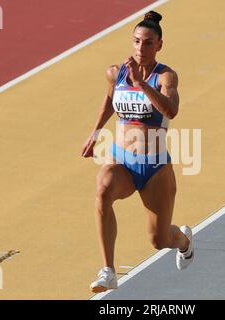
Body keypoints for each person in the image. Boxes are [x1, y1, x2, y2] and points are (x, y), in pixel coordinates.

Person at [81, 11, 194, 293]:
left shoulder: (165, 76)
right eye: (136, 42)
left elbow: (171, 110)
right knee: (103, 190)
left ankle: (184, 242)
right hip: (122, 160)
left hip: (155, 167)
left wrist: (141, 83)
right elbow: (110, 99)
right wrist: (95, 132)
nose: (140, 48)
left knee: (159, 240)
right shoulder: (116, 72)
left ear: (159, 46)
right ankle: (108, 271)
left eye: (147, 43)